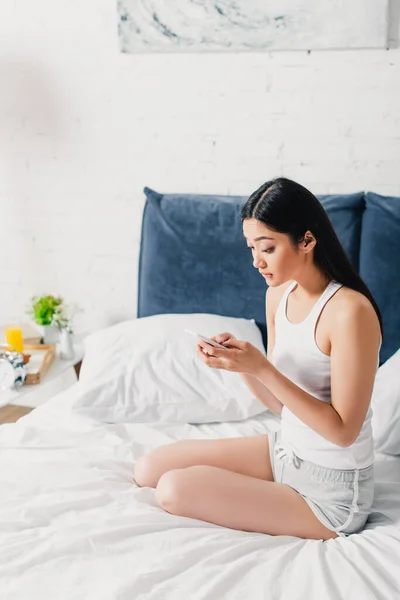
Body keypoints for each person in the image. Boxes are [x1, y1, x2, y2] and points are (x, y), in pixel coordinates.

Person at [133, 177, 382, 541]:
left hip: (332, 491)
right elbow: (282, 407)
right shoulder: (278, 295)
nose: (256, 262)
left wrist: (262, 367)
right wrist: (241, 367)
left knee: (172, 488)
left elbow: (343, 431)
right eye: (251, 248)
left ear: (307, 241)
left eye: (267, 248)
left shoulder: (349, 312)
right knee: (148, 468)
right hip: (286, 451)